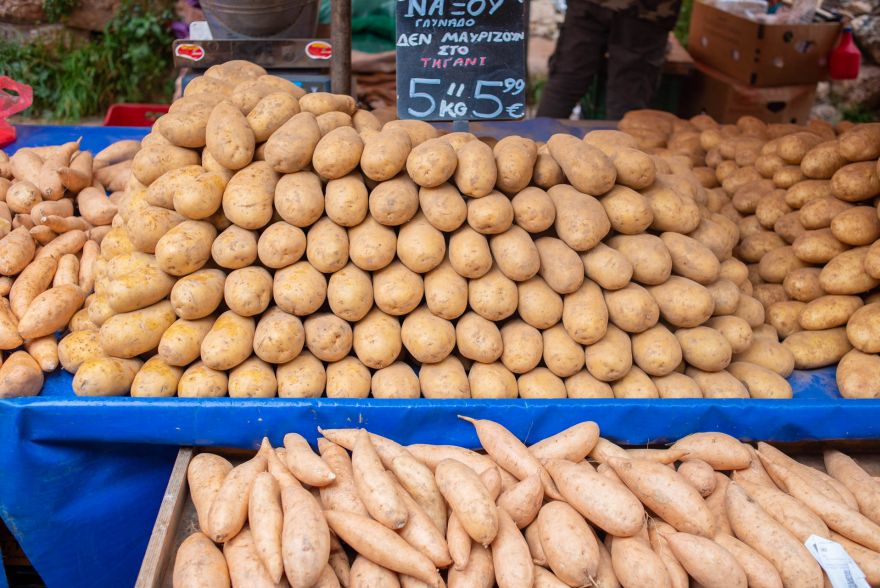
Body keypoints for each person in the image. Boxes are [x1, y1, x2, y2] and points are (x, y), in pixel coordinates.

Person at [536, 0, 683, 120]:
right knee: (628, 95)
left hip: (641, 10)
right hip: (647, 10)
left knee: (566, 80)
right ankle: (536, 145)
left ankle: (537, 140)